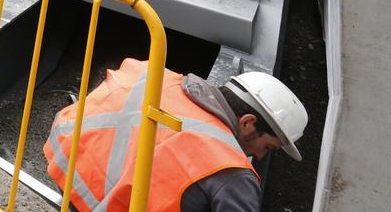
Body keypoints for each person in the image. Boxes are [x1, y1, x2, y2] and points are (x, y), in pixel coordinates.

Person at [44, 58, 308, 211]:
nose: (259, 156)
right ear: (248, 122)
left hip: (64, 173)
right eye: (268, 146)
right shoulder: (234, 174)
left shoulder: (154, 74)